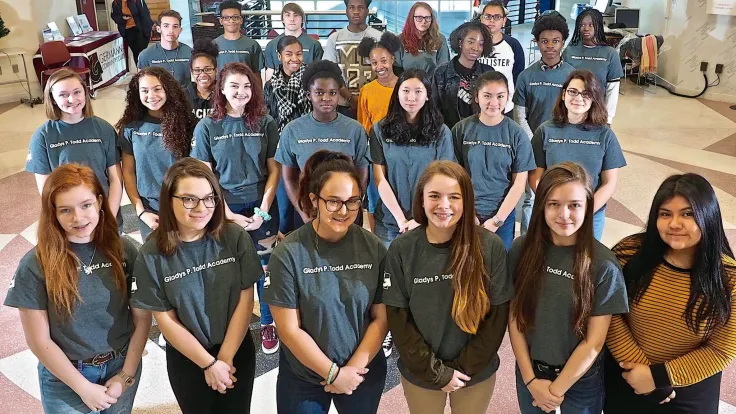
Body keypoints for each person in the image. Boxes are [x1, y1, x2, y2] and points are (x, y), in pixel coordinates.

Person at [4, 164, 150, 414]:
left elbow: (142, 318)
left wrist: (126, 375)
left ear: (100, 202)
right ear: (53, 214)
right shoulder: (35, 264)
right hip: (66, 377)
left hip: (121, 364)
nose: (78, 218)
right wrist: (82, 387)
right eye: (65, 210)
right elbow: (39, 340)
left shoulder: (125, 250)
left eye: (86, 205)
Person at [130, 158, 263, 414]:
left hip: (235, 349)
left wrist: (223, 359)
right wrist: (209, 365)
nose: (202, 208)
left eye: (209, 198)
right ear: (170, 199)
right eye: (190, 199)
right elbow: (166, 320)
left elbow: (245, 301)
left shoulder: (234, 237)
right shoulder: (152, 254)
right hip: (187, 357)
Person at [263, 150, 388, 414]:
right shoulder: (289, 253)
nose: (344, 211)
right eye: (333, 201)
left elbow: (381, 318)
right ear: (314, 200)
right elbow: (289, 329)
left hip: (361, 371)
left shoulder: (374, 248)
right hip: (304, 377)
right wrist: (332, 373)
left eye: (352, 201)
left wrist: (352, 370)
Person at [383, 160, 511, 414]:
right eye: (434, 196)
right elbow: (398, 319)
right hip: (421, 372)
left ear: (467, 201)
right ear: (421, 199)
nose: (444, 205)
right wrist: (437, 373)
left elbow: (497, 316)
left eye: (454, 197)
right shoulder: (402, 249)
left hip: (474, 372)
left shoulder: (489, 246)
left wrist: (462, 369)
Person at [605, 173, 736, 414]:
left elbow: (722, 349)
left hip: (690, 384)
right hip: (628, 376)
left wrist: (660, 378)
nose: (674, 223)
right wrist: (642, 373)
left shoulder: (729, 277)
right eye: (665, 214)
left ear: (708, 215)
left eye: (687, 214)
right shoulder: (629, 253)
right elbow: (608, 314)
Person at [508, 162, 628, 414]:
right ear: (542, 206)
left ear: (588, 207)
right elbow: (515, 318)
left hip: (579, 379)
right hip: (530, 370)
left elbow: (594, 342)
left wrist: (555, 390)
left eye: (574, 205)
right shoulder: (521, 250)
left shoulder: (603, 264)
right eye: (554, 204)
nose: (564, 214)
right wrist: (531, 381)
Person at [191, 62, 281, 355]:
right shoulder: (207, 126)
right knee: (230, 269)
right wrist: (227, 213)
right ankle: (234, 328)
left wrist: (264, 209)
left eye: (246, 86)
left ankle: (267, 322)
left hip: (261, 205)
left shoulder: (265, 122)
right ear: (221, 89)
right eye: (234, 86)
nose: (241, 92)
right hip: (224, 207)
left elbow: (273, 170)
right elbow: (206, 174)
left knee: (265, 269)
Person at [529, 70, 626, 241]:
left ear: (594, 98)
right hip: (553, 211)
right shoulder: (545, 130)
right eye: (573, 91)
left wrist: (585, 209)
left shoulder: (605, 135)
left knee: (585, 262)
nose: (578, 98)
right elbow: (536, 175)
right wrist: (552, 203)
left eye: (586, 94)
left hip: (591, 214)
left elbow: (609, 183)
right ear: (564, 93)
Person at [275, 60, 369, 231]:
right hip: (308, 213)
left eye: (332, 93)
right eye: (319, 92)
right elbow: (289, 177)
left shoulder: (355, 129)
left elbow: (362, 172)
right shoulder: (293, 130)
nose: (326, 98)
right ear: (308, 95)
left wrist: (351, 205)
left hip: (347, 213)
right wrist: (303, 211)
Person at [26, 69, 123, 228]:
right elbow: (46, 190)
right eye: (63, 94)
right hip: (69, 220)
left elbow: (116, 180)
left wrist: (109, 217)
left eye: (77, 92)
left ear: (85, 93)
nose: (72, 99)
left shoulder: (104, 129)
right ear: (53, 99)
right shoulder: (42, 136)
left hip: (105, 213)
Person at [370, 68, 455, 247]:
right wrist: (401, 220)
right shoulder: (379, 129)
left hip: (429, 221)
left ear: (427, 95)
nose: (411, 98)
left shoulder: (441, 132)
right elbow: (379, 179)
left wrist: (419, 218)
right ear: (397, 93)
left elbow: (443, 180)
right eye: (406, 91)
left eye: (418, 92)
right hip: (390, 223)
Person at [452, 71, 535, 250]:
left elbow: (519, 184)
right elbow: (454, 177)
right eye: (487, 96)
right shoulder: (461, 130)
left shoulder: (517, 134)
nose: (494, 103)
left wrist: (497, 221)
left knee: (497, 269)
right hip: (465, 213)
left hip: (502, 217)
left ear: (508, 98)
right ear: (476, 97)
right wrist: (469, 214)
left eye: (500, 96)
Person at [117, 67, 196, 240]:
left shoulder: (187, 123)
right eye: (144, 90)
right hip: (150, 210)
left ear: (168, 89)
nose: (151, 95)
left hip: (184, 205)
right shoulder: (131, 127)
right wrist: (140, 211)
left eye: (157, 89)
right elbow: (128, 172)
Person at [513, 13, 574, 236]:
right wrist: (535, 141)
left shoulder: (573, 76)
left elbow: (577, 112)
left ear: (563, 42)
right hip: (534, 148)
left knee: (562, 195)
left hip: (565, 146)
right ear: (537, 43)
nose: (550, 46)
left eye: (555, 41)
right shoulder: (526, 76)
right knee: (532, 198)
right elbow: (520, 115)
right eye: (544, 41)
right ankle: (527, 243)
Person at [357, 31, 400, 232]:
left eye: (383, 60)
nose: (379, 66)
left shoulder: (404, 86)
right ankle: (375, 240)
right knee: (374, 201)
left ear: (392, 58)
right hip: (376, 152)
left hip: (401, 148)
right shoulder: (367, 90)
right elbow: (364, 125)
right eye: (374, 63)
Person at [563, 8, 624, 124]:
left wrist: (608, 119)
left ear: (599, 26)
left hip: (597, 113)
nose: (586, 28)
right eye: (582, 25)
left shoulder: (610, 54)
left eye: (591, 25)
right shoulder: (569, 51)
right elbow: (564, 84)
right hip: (572, 111)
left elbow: (613, 89)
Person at [323, 0, 382, 115]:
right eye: (352, 8)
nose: (356, 12)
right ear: (346, 11)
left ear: (367, 11)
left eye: (360, 8)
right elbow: (330, 72)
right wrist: (350, 98)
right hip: (343, 105)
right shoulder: (335, 38)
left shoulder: (379, 37)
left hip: (373, 102)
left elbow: (384, 69)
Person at [433, 21, 494, 129]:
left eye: (480, 44)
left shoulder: (488, 72)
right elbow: (434, 108)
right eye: (471, 42)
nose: (476, 48)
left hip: (479, 132)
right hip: (449, 132)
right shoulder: (441, 72)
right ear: (460, 43)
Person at [477, 0, 525, 116]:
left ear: (504, 21)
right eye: (487, 16)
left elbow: (517, 76)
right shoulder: (474, 44)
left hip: (506, 107)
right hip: (477, 106)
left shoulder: (513, 45)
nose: (491, 20)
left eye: (497, 17)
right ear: (481, 19)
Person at [264, 2, 323, 82]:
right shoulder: (272, 45)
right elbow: (270, 73)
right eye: (288, 15)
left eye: (296, 15)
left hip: (307, 90)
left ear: (302, 19)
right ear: (282, 19)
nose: (292, 19)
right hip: (279, 90)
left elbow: (318, 75)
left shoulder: (314, 44)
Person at [264, 36, 312, 132]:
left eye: (299, 54)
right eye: (289, 54)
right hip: (278, 138)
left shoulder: (312, 81)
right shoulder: (270, 85)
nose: (295, 59)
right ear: (279, 56)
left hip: (307, 135)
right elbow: (267, 118)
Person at [137, 10, 193, 87]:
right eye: (166, 26)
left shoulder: (190, 53)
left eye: (175, 26)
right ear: (158, 29)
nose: (171, 30)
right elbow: (140, 85)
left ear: (180, 30)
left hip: (185, 97)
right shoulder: (146, 55)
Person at [214, 1, 264, 85]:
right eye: (226, 17)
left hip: (245, 93)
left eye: (235, 17)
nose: (231, 21)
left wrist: (259, 96)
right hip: (221, 93)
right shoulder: (213, 45)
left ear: (241, 20)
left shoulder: (252, 45)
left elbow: (256, 75)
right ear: (221, 21)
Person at [395, 2, 450, 75]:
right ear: (412, 19)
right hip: (407, 84)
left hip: (432, 85)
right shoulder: (399, 40)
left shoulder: (440, 39)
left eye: (427, 18)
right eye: (419, 18)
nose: (424, 21)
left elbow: (444, 69)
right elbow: (396, 70)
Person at [111, 0, 154, 65]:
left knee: (142, 52)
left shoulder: (137, 1)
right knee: (136, 53)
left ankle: (146, 70)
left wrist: (149, 28)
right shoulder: (116, 3)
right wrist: (122, 19)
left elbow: (145, 14)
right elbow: (114, 16)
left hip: (140, 29)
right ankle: (141, 70)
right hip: (128, 31)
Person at [186, 40, 219, 120]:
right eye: (197, 70)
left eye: (207, 69)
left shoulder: (225, 93)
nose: (203, 74)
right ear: (192, 72)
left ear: (216, 71)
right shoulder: (183, 96)